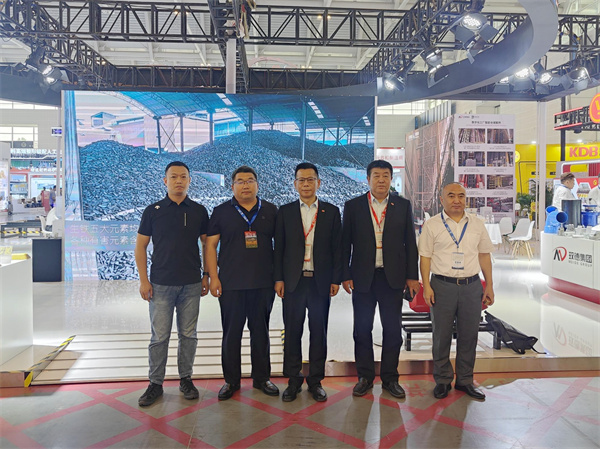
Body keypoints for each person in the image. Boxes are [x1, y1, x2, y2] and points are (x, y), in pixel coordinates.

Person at [342, 159, 420, 398]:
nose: (381, 180)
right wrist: (345, 274)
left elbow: (410, 243)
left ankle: (390, 378)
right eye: (376, 175)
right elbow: (345, 244)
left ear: (391, 179)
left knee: (393, 331)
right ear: (368, 179)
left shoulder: (402, 205)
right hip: (363, 278)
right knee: (361, 329)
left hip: (392, 278)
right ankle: (364, 377)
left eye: (386, 175)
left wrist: (412, 276)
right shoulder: (353, 206)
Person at [134, 161, 210, 407]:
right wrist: (144, 280)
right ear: (165, 181)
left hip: (191, 284)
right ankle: (155, 383)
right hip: (161, 284)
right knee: (159, 336)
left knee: (188, 335)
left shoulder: (199, 211)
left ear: (189, 180)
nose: (179, 181)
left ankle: (186, 379)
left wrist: (207, 274)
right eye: (174, 177)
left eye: (183, 177)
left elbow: (207, 245)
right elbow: (141, 246)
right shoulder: (153, 211)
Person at [205, 166, 279, 400]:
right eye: (240, 181)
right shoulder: (220, 212)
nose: (245, 185)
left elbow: (282, 246)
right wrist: (213, 277)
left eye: (250, 180)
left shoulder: (271, 210)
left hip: (263, 283)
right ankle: (231, 381)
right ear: (232, 186)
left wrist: (279, 278)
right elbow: (210, 246)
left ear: (257, 184)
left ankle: (262, 378)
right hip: (231, 284)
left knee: (261, 333)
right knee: (231, 334)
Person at [419, 182, 495, 401]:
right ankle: (443, 380)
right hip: (442, 286)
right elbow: (425, 257)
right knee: (441, 335)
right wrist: (427, 286)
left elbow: (484, 255)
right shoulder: (432, 225)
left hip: (471, 286)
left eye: (461, 196)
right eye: (451, 196)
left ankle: (465, 380)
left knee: (469, 335)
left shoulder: (477, 224)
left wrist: (489, 285)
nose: (456, 200)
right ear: (441, 200)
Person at [274, 162, 342, 402]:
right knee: (292, 332)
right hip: (293, 282)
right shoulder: (285, 212)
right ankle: (293, 381)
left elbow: (337, 248)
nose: (306, 184)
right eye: (301, 180)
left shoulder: (331, 212)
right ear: (295, 184)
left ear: (318, 183)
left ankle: (315, 381)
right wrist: (279, 278)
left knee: (318, 332)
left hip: (319, 282)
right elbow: (279, 249)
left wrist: (335, 279)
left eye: (310, 179)